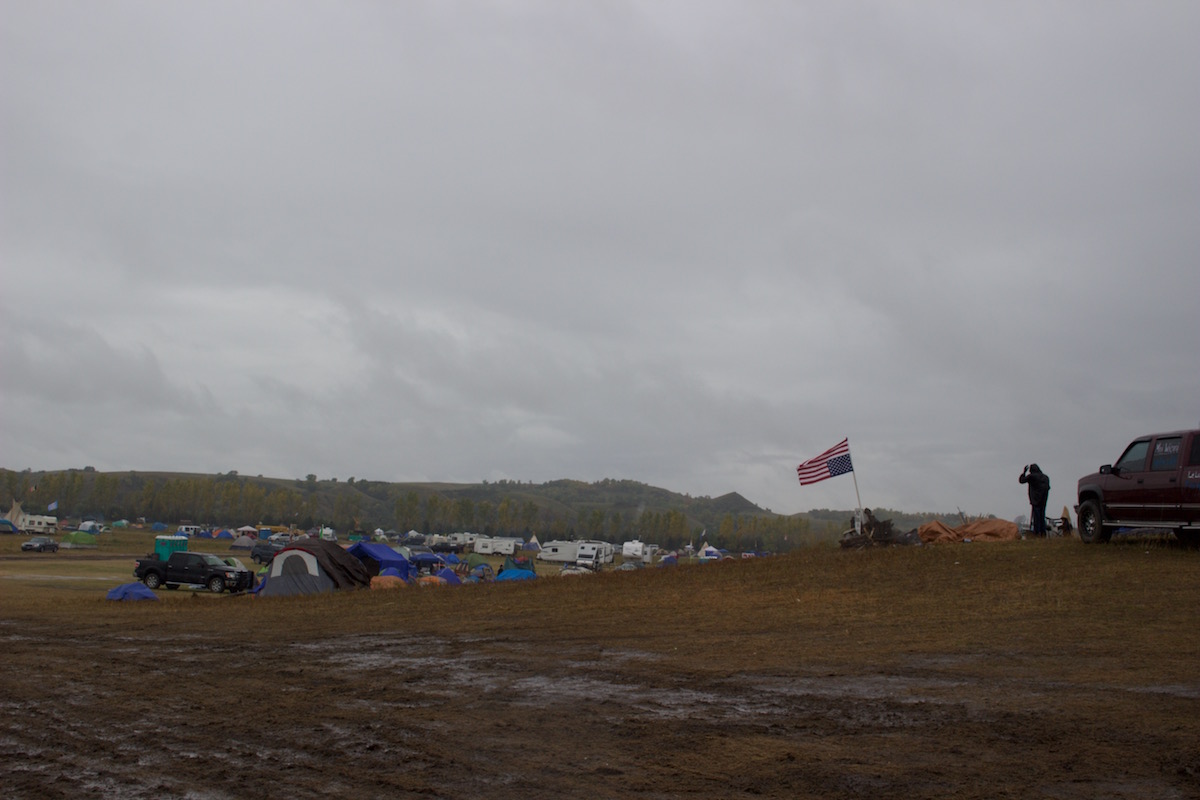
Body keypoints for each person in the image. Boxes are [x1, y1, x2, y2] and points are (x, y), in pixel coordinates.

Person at [1019, 464, 1051, 536]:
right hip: (1044, 499)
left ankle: (1037, 532)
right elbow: (1048, 488)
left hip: (1035, 500)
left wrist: (1024, 472)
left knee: (1036, 516)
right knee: (1042, 515)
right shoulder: (1046, 477)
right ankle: (1043, 532)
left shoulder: (1032, 476)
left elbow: (1021, 480)